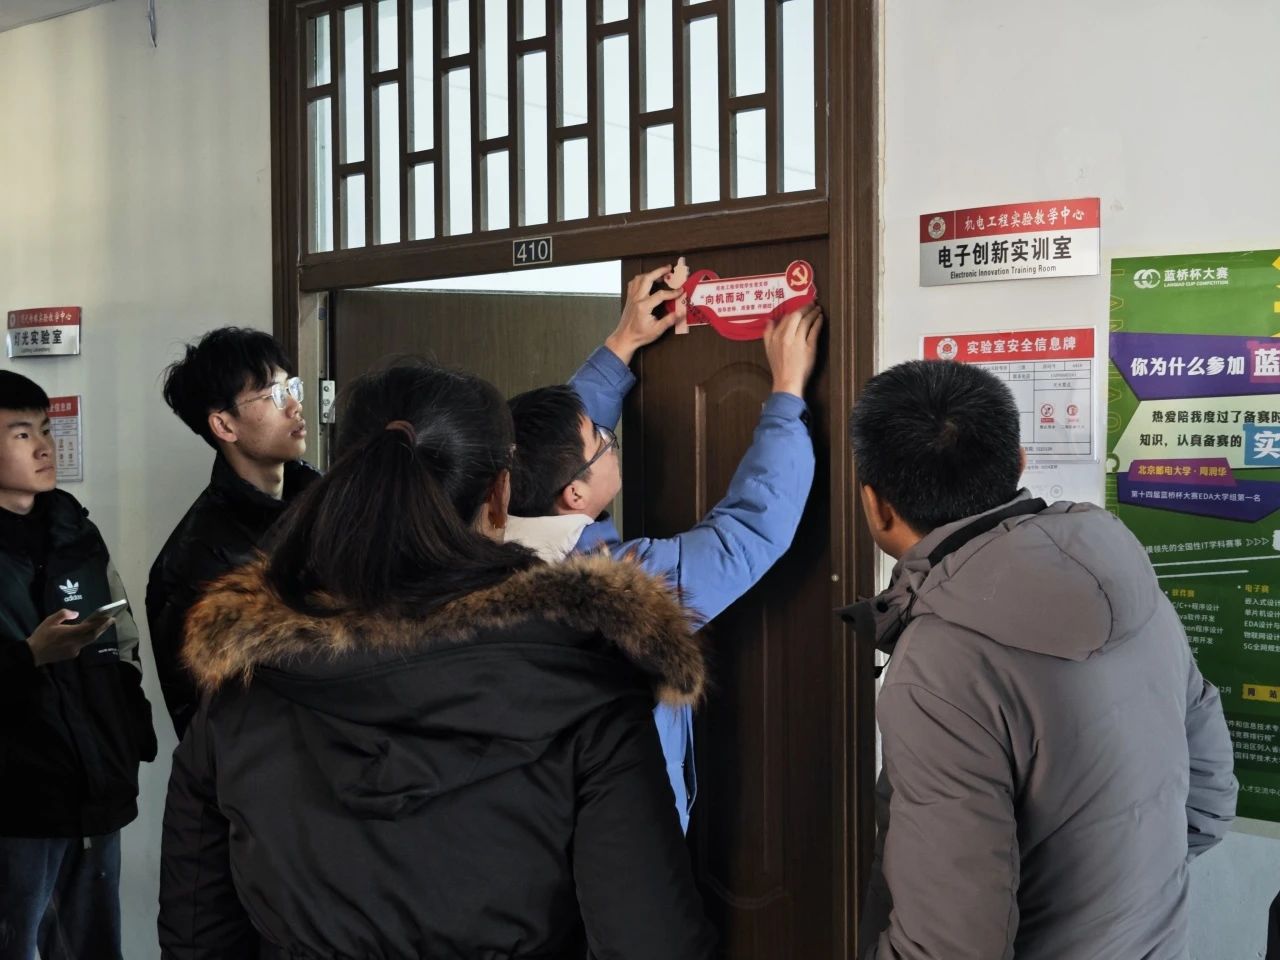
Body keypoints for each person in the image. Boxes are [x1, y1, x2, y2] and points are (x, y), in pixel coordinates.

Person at [158, 359, 717, 959]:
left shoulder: (239, 689)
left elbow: (197, 939)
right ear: (499, 498)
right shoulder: (585, 687)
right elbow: (652, 943)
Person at [843, 359, 1238, 959]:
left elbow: (951, 945)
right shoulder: (1125, 574)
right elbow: (1207, 802)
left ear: (876, 505)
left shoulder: (939, 664)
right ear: (1020, 462)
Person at [506, 266, 822, 832]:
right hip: (625, 836)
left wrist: (623, 342)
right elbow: (748, 531)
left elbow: (554, 443)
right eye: (603, 441)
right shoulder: (618, 588)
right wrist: (785, 394)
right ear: (574, 494)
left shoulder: (482, 543)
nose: (610, 440)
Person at [0, 371, 157, 960]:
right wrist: (28, 657)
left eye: (46, 429)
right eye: (22, 434)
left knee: (94, 946)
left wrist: (127, 728)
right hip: (16, 800)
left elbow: (123, 638)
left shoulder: (74, 528)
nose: (45, 446)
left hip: (92, 784)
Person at [147, 327, 317, 738]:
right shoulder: (196, 557)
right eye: (273, 395)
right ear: (224, 425)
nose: (294, 405)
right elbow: (210, 714)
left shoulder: (326, 506)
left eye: (291, 387)